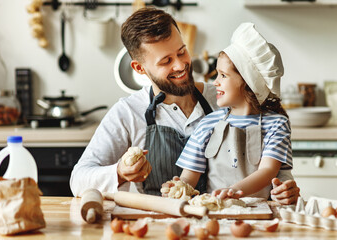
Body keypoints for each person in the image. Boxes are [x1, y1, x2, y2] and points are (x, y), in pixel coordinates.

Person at [70, 8, 299, 204]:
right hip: (158, 227)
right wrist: (119, 173)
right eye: (166, 61)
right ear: (140, 69)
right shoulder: (128, 113)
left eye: (182, 52)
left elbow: (275, 169)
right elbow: (78, 179)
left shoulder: (223, 98)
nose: (181, 65)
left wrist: (286, 188)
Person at [164, 22, 293, 200]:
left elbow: (267, 170)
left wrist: (233, 191)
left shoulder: (277, 124)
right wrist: (178, 187)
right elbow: (189, 176)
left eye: (223, 75)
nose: (215, 82)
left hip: (262, 213)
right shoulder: (208, 123)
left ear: (248, 81)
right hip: (216, 211)